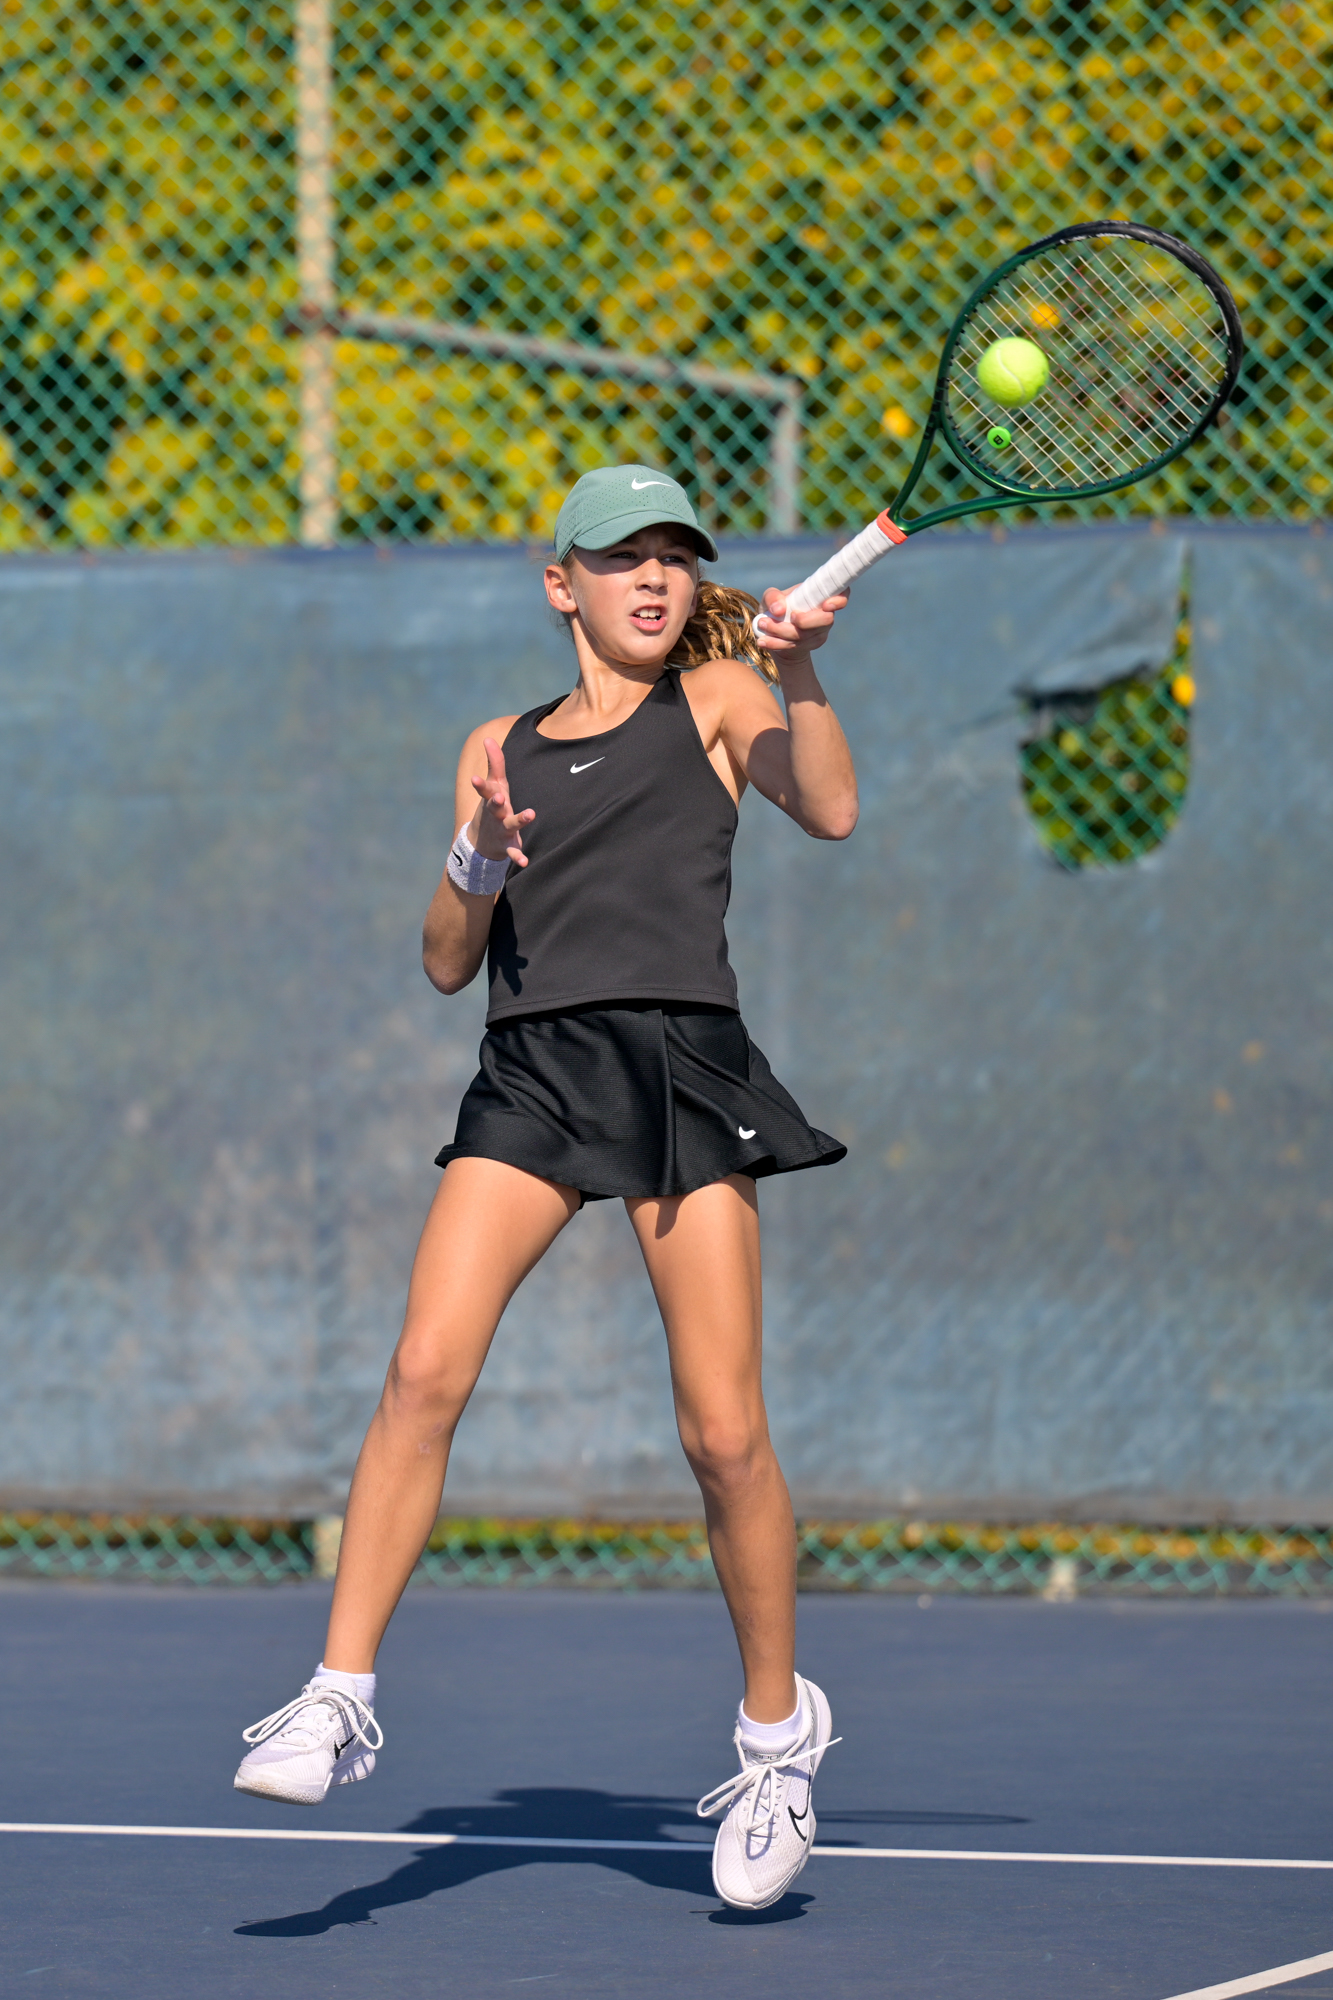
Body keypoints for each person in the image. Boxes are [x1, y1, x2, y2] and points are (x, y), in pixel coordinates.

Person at [233, 464, 856, 1911]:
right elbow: (448, 959)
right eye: (623, 557)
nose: (655, 579)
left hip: (679, 1066)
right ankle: (336, 1694)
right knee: (421, 1371)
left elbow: (825, 808)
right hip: (531, 1074)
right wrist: (476, 852)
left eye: (675, 557)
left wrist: (807, 672)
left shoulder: (720, 702)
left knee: (721, 1433)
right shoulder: (495, 745)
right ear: (559, 583)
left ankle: (777, 1741)